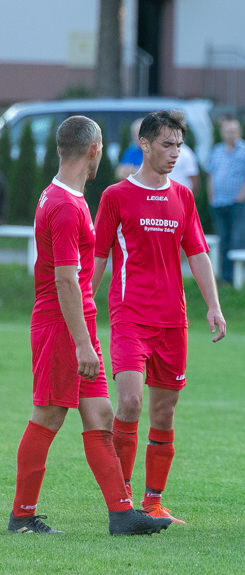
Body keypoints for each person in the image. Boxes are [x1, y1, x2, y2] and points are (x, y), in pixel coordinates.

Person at [8, 115, 171, 536]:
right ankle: (22, 516)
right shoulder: (64, 205)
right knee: (47, 415)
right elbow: (64, 280)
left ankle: (122, 515)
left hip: (76, 325)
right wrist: (83, 343)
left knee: (100, 415)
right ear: (94, 151)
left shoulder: (66, 197)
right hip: (62, 327)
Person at [93, 110, 227, 525]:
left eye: (179, 146)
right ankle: (123, 499)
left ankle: (153, 502)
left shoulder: (183, 197)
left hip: (173, 320)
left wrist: (214, 306)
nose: (174, 154)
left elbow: (198, 254)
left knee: (164, 414)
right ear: (145, 145)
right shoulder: (115, 196)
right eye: (166, 145)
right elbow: (98, 257)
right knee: (130, 401)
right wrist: (81, 307)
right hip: (130, 316)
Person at [206, 117, 245, 284]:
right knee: (223, 240)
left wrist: (241, 197)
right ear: (222, 133)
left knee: (237, 240)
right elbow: (211, 176)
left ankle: (237, 278)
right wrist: (211, 197)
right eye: (228, 131)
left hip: (237, 204)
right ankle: (224, 277)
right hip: (219, 203)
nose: (231, 135)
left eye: (234, 131)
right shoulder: (216, 151)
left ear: (239, 132)